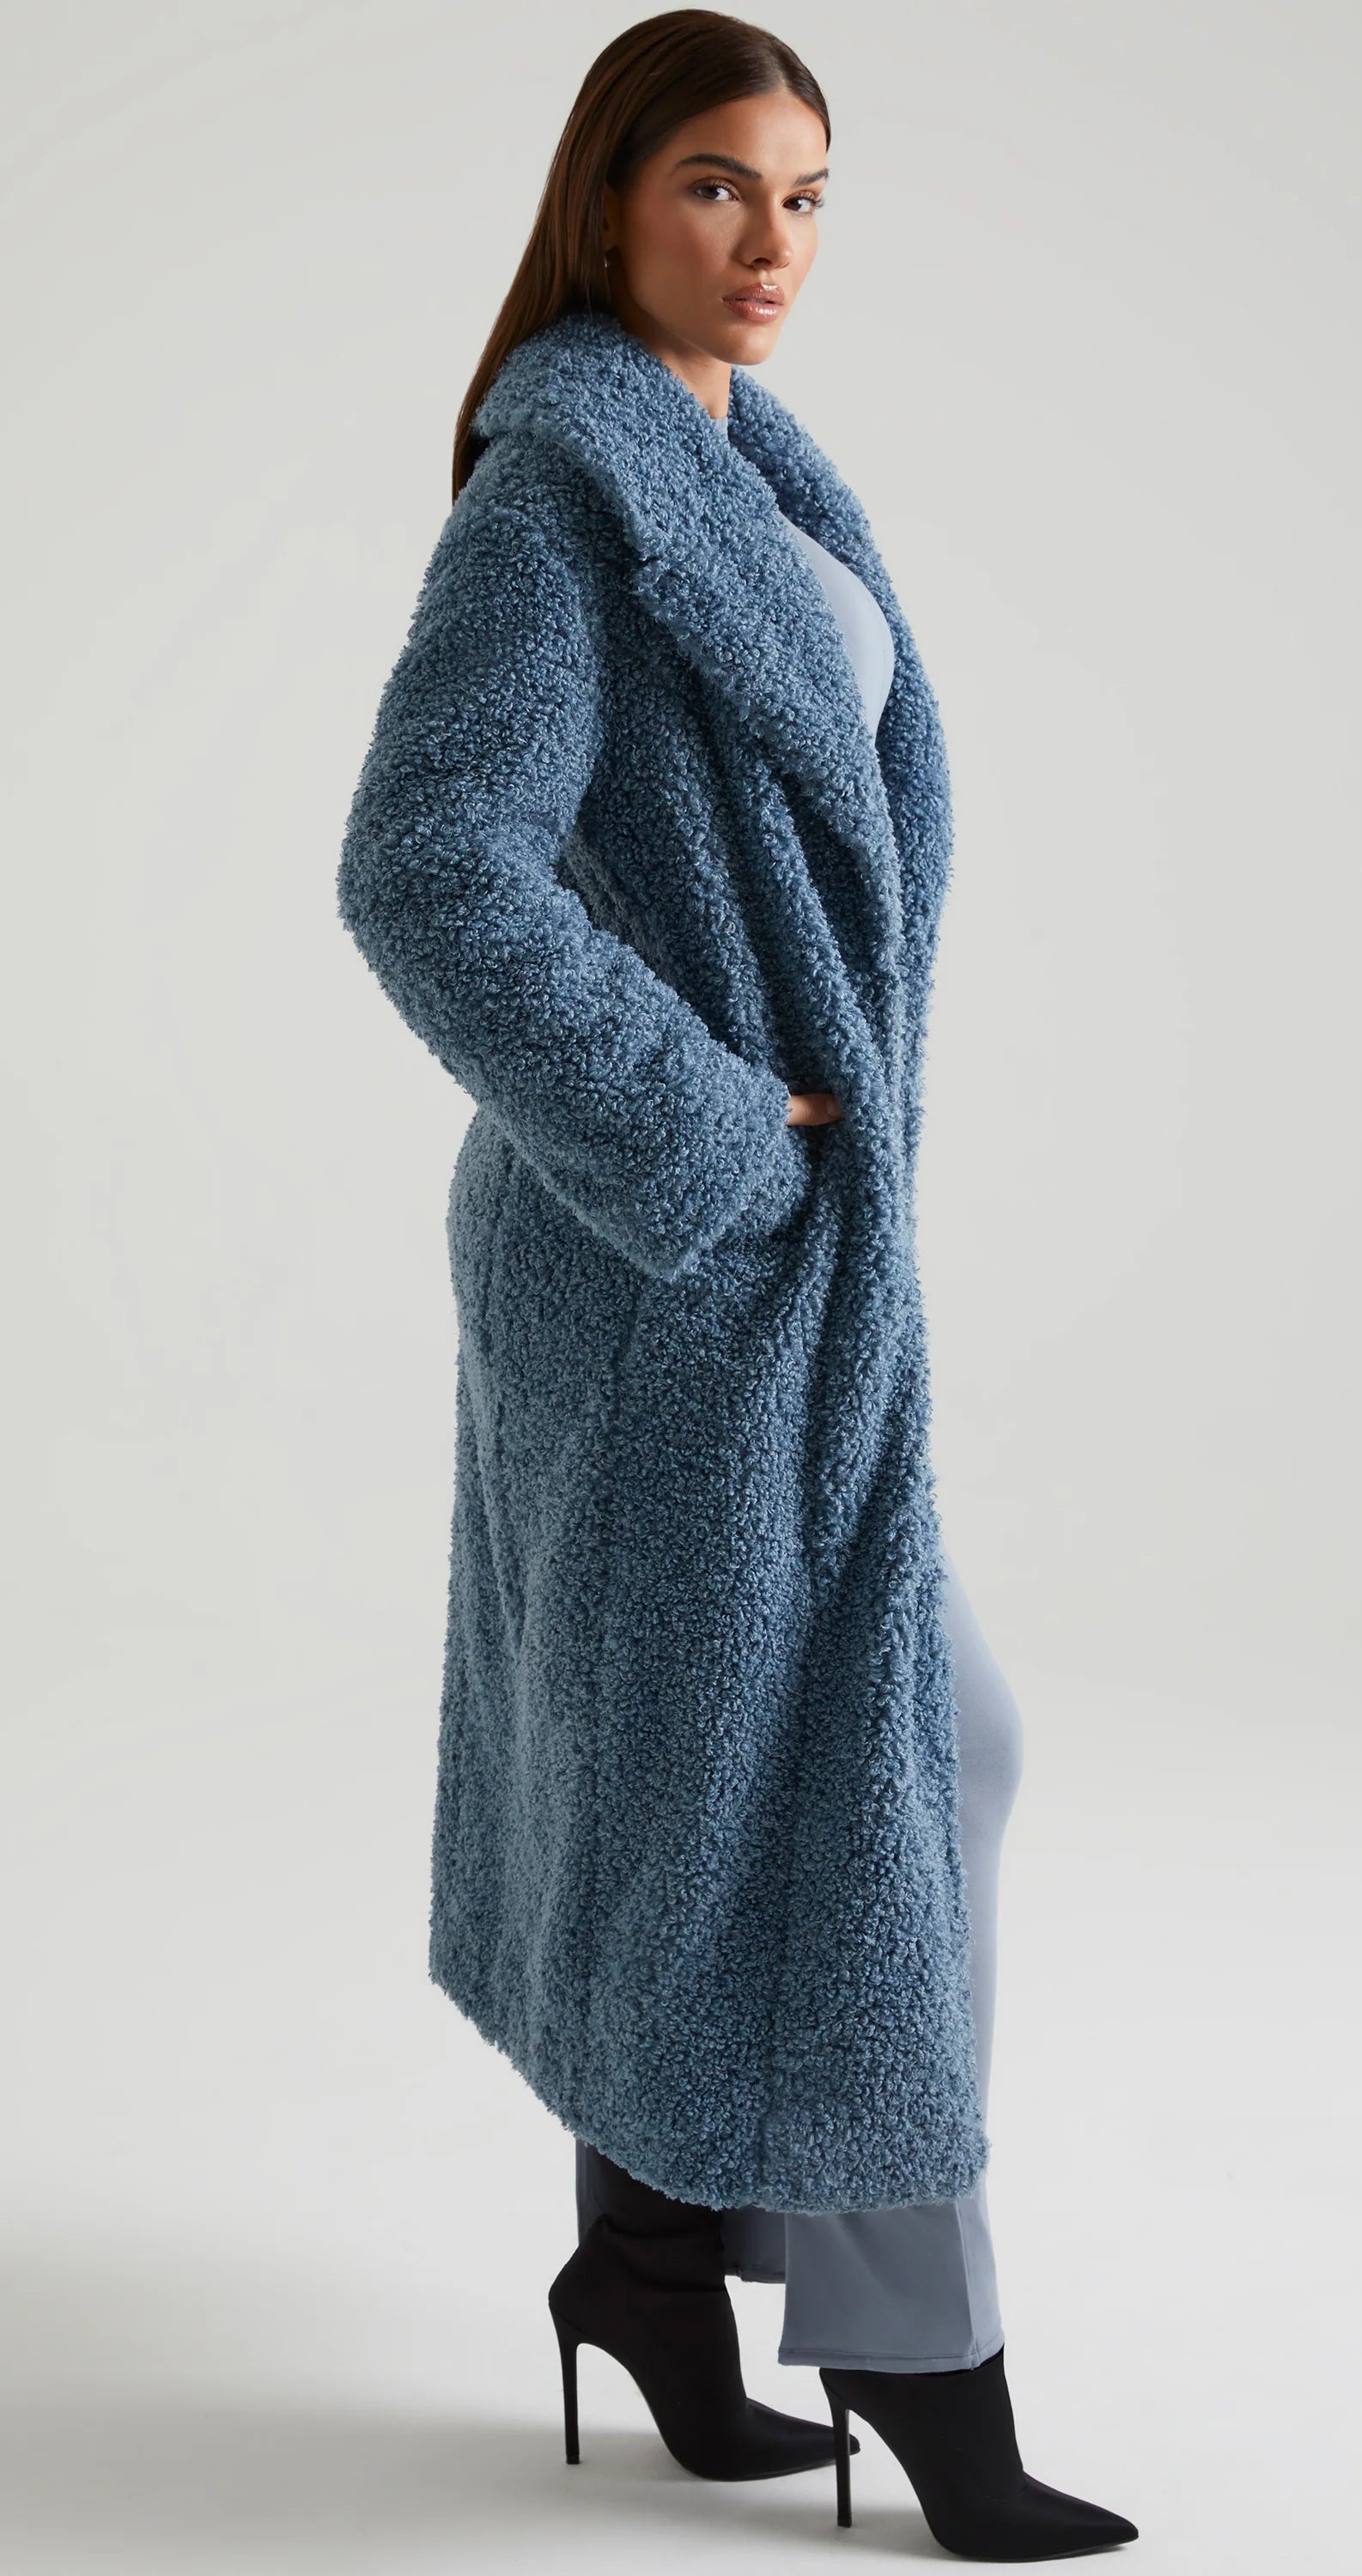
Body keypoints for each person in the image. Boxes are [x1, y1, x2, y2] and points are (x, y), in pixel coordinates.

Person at [337, 9, 1134, 2560]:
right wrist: (706, 1132)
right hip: (666, 1261)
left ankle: (653, 2268)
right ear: (607, 203)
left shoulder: (750, 475)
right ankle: (928, 2363)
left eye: (804, 194)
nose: (770, 242)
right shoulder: (560, 509)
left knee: (710, 1782)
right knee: (887, 1771)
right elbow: (426, 863)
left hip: (763, 1264)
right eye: (713, 186)